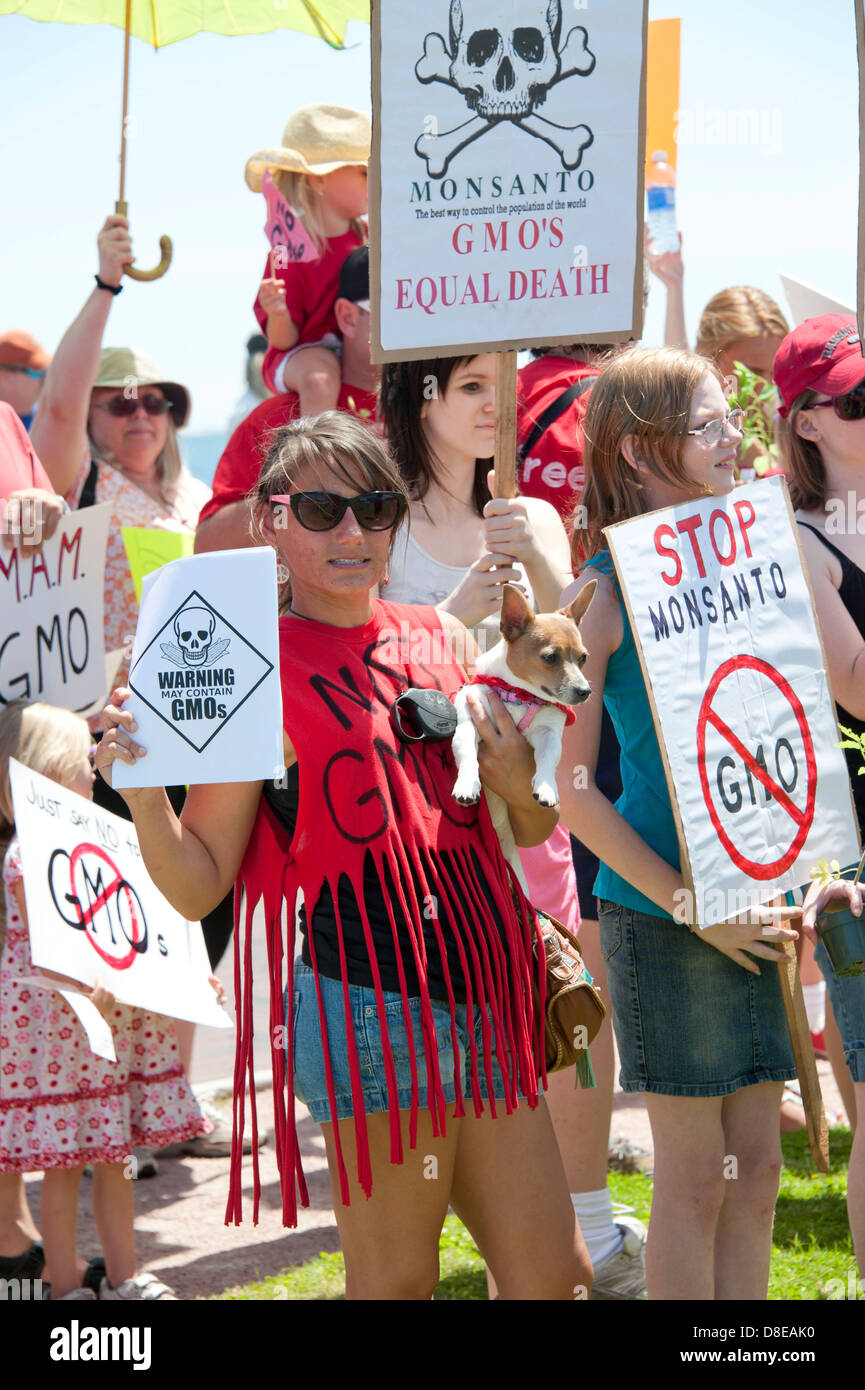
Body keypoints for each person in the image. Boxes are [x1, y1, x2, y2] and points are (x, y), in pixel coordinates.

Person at [95, 411, 590, 1301]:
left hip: (489, 985)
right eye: (320, 510)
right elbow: (198, 880)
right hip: (370, 1003)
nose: (353, 532)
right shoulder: (248, 666)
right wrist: (138, 791)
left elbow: (519, 828)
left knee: (556, 1277)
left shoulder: (439, 637)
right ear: (270, 522)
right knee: (397, 1282)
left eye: (373, 506)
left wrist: (520, 785)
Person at [558, 346, 801, 1301]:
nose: (733, 436)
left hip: (755, 892)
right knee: (696, 1178)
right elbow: (572, 791)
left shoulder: (745, 557)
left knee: (760, 1169)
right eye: (707, 425)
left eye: (727, 419)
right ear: (635, 452)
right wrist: (691, 904)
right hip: (663, 915)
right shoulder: (603, 590)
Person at [0, 700, 206, 1299]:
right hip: (64, 1035)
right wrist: (87, 983)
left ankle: (124, 1275)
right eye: (80, 763)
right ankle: (61, 1279)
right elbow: (51, 946)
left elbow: (132, 928)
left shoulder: (92, 841)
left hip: (100, 1030)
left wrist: (186, 979)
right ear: (49, 767)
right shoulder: (28, 855)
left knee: (115, 1157)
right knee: (64, 1166)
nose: (92, 772)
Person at [776, 312, 865, 1274]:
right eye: (858, 401)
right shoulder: (797, 539)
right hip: (853, 854)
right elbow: (853, 684)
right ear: (806, 423)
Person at [195, 247, 378, 555]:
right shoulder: (278, 418)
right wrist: (307, 495)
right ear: (347, 317)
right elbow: (209, 543)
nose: (420, 314)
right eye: (398, 304)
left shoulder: (451, 407)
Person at [247, 104, 369, 413]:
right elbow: (284, 340)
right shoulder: (287, 251)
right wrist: (277, 312)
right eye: (365, 173)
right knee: (320, 377)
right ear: (318, 180)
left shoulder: (370, 238)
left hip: (355, 352)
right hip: (301, 354)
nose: (377, 180)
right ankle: (316, 457)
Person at [0, 331, 50, 432]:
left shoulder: (49, 426)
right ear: (4, 375)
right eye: (35, 371)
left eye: (45, 371)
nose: (44, 378)